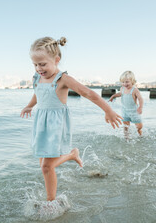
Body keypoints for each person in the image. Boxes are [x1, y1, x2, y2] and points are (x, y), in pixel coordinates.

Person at [20, 36, 122, 202]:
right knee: (43, 165)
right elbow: (38, 93)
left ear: (56, 60)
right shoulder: (37, 77)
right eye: (35, 64)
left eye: (43, 64)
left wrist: (108, 110)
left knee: (47, 166)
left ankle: (50, 201)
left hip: (57, 125)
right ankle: (72, 155)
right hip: (41, 124)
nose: (39, 68)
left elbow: (88, 93)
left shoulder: (63, 79)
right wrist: (30, 105)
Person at [109, 70, 143, 136]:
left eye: (127, 82)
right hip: (125, 111)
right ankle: (126, 139)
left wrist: (140, 107)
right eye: (123, 82)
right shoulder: (122, 88)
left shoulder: (135, 90)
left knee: (139, 127)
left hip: (134, 112)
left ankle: (140, 135)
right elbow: (120, 94)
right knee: (125, 127)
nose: (125, 84)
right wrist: (113, 96)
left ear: (132, 81)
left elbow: (140, 99)